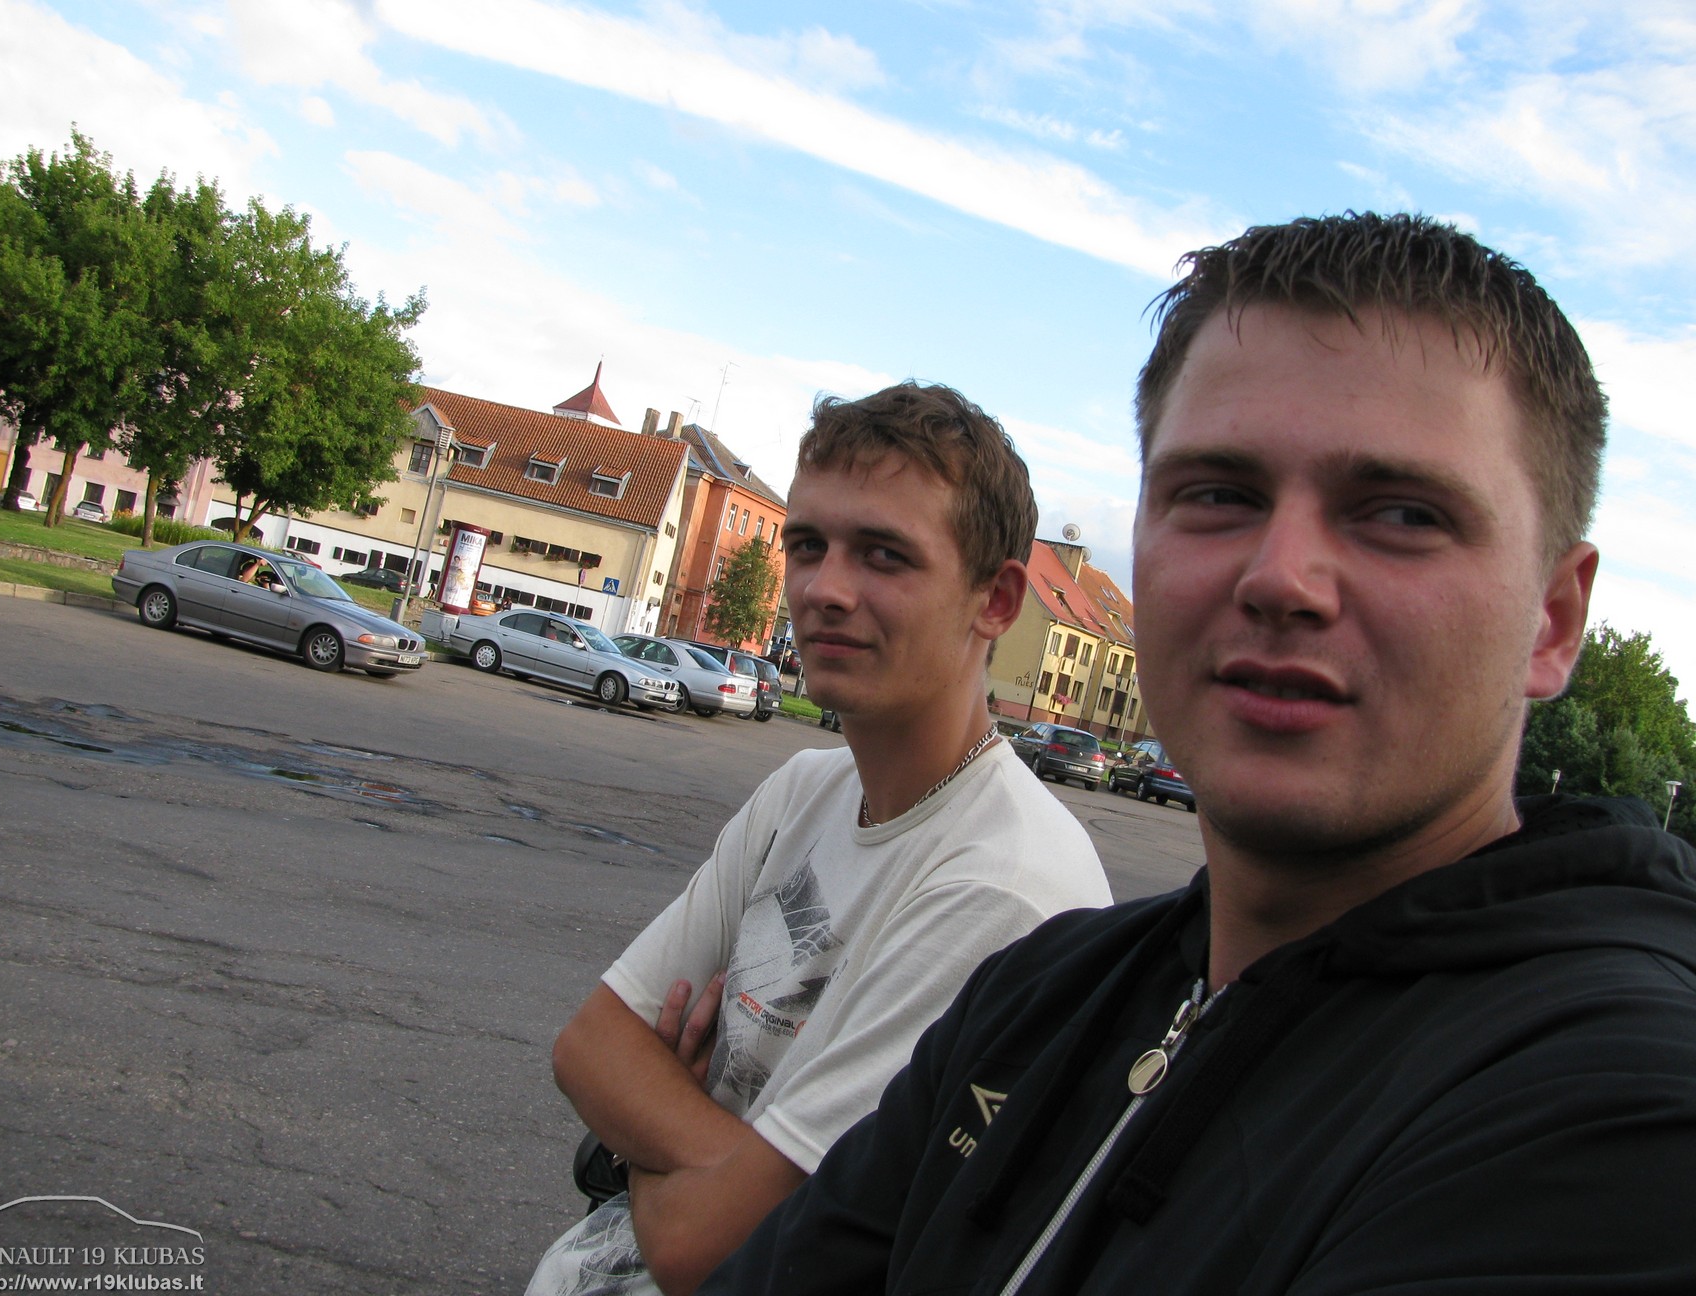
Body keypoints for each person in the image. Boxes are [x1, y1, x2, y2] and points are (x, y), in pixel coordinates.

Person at [706, 213, 1696, 1294]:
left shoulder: (1618, 1113)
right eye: (1219, 495)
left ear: (1553, 619)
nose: (1279, 578)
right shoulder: (1043, 994)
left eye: (1404, 514)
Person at [525, 383, 1113, 1296]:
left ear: (995, 600)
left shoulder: (1006, 887)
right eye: (807, 545)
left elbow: (707, 1250)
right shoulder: (804, 788)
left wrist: (648, 1126)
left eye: (884, 555)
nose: (824, 590)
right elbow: (589, 1044)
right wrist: (722, 1165)